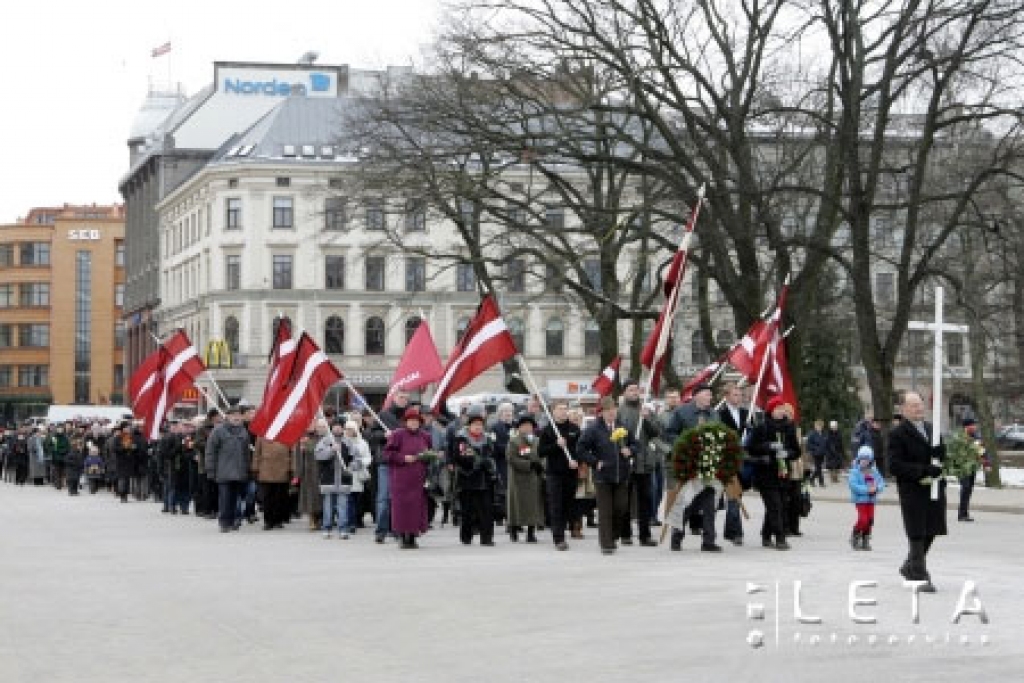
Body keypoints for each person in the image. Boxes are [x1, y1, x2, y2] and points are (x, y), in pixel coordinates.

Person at [888, 391, 946, 592]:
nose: (918, 408)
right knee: (917, 532)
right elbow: (894, 465)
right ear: (903, 409)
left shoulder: (932, 428)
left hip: (934, 488)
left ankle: (909, 566)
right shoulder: (897, 433)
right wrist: (922, 470)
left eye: (920, 404)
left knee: (931, 529)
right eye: (913, 405)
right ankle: (919, 576)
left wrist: (941, 455)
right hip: (913, 490)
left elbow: (941, 457)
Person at [577, 396, 638, 555]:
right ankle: (606, 543)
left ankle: (613, 535)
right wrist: (594, 462)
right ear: (602, 412)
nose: (612, 414)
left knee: (621, 507)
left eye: (614, 411)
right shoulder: (593, 429)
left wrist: (630, 451)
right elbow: (581, 449)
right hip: (603, 476)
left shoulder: (622, 426)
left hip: (621, 474)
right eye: (608, 411)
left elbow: (636, 444)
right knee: (605, 510)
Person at [666, 384, 723, 552]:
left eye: (711, 395)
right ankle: (676, 537)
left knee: (709, 503)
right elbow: (669, 433)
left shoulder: (714, 414)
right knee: (686, 501)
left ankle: (709, 541)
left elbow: (720, 434)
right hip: (688, 463)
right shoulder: (682, 412)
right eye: (707, 394)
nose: (710, 398)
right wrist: (686, 442)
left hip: (708, 464)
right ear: (696, 395)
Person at [746, 397, 801, 550]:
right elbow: (750, 448)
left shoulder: (789, 427)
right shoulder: (761, 427)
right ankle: (780, 538)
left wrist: (787, 454)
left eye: (782, 408)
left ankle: (765, 534)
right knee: (774, 506)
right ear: (771, 410)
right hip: (766, 473)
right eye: (778, 408)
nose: (781, 411)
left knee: (781, 505)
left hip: (783, 473)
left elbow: (796, 451)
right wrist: (768, 446)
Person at [615, 380, 660, 548]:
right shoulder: (620, 412)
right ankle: (625, 534)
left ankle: (645, 535)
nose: (635, 392)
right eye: (631, 390)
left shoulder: (646, 410)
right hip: (627, 461)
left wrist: (647, 419)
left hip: (645, 461)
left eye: (636, 390)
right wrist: (623, 449)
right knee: (625, 500)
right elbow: (616, 434)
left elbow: (656, 432)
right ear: (624, 392)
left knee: (646, 500)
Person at [382, 408, 433, 549]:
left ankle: (412, 536)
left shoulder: (425, 436)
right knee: (402, 509)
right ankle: (403, 537)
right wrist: (403, 458)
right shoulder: (398, 434)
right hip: (401, 479)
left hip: (418, 478)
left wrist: (430, 457)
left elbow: (429, 453)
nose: (413, 423)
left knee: (416, 509)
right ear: (405, 422)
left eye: (416, 421)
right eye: (411, 421)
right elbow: (387, 454)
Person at [539, 402, 581, 551]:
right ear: (553, 412)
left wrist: (577, 460)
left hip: (571, 473)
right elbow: (541, 451)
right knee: (556, 505)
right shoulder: (548, 430)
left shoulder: (574, 429)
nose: (563, 412)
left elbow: (580, 449)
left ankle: (563, 530)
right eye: (560, 409)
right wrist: (556, 445)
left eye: (565, 409)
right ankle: (559, 538)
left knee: (567, 504)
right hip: (554, 474)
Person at [452, 409, 497, 546]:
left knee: (487, 510)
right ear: (469, 426)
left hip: (484, 480)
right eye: (475, 424)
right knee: (467, 511)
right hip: (468, 479)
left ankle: (487, 538)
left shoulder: (487, 439)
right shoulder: (462, 439)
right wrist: (474, 462)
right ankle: (466, 537)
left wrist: (488, 463)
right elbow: (459, 457)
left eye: (480, 425)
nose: (478, 427)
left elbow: (492, 455)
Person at [205, 406, 252, 532]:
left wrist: (248, 469)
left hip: (239, 471)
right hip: (223, 471)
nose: (237, 417)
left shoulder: (243, 431)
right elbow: (210, 452)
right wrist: (210, 470)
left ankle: (232, 521)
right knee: (225, 498)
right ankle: (224, 522)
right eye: (233, 415)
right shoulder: (218, 431)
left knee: (235, 498)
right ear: (227, 416)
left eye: (238, 415)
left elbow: (246, 453)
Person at [506, 414, 545, 544]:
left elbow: (543, 455)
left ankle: (531, 532)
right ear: (519, 428)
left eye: (530, 426)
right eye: (525, 426)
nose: (528, 428)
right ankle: (513, 528)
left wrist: (541, 465)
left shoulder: (537, 441)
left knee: (533, 506)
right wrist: (528, 464)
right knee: (517, 505)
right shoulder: (514, 441)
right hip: (518, 479)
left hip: (534, 479)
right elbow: (511, 459)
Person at [718, 382, 748, 546]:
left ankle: (734, 531)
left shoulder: (746, 413)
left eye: (740, 395)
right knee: (727, 497)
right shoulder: (719, 414)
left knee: (736, 496)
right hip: (725, 459)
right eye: (735, 394)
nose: (739, 397)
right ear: (727, 396)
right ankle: (733, 531)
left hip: (740, 460)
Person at [316, 423, 354, 539]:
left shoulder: (348, 442)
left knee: (343, 505)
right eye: (335, 426)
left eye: (339, 426)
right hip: (328, 479)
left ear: (343, 428)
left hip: (343, 479)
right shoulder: (325, 441)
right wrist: (331, 450)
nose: (337, 429)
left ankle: (343, 529)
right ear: (331, 428)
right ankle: (326, 528)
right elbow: (318, 455)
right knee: (328, 505)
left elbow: (356, 458)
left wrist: (350, 468)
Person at [650, 388, 682, 525]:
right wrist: (667, 450)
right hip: (668, 457)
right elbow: (654, 437)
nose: (673, 399)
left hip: (687, 455)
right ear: (666, 399)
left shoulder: (686, 414)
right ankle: (669, 519)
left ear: (680, 398)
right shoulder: (661, 416)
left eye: (675, 397)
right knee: (671, 489)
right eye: (670, 397)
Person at [848, 445, 885, 550]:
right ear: (859, 458)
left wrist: (877, 488)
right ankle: (855, 535)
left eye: (867, 458)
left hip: (871, 500)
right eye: (862, 458)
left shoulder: (874, 471)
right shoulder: (855, 471)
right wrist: (867, 490)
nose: (864, 461)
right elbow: (853, 485)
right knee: (863, 519)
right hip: (860, 500)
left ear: (870, 460)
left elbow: (881, 482)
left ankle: (865, 539)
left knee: (870, 520)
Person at [253, 435, 294, 530]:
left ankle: (278, 520)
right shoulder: (262, 435)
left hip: (282, 469)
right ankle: (268, 521)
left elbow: (292, 452)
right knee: (267, 497)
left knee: (280, 497)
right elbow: (257, 453)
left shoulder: (286, 433)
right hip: (266, 469)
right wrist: (255, 468)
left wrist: (292, 468)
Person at [341, 420, 372, 533]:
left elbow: (368, 457)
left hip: (358, 475)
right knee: (348, 500)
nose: (349, 431)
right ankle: (350, 523)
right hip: (346, 474)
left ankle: (354, 521)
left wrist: (361, 463)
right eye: (347, 429)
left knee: (355, 500)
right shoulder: (342, 443)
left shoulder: (362, 443)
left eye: (351, 429)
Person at [295, 421, 325, 531]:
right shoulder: (302, 438)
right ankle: (311, 519)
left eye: (313, 424)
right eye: (309, 424)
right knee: (309, 497)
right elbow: (297, 456)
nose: (311, 426)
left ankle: (319, 518)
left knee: (319, 496)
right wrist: (297, 473)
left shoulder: (322, 438)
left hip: (319, 471)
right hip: (307, 472)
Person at [959, 418, 987, 522]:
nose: (975, 427)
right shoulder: (960, 437)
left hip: (972, 467)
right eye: (972, 425)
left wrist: (986, 463)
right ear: (966, 427)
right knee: (965, 488)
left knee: (969, 489)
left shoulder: (976, 437)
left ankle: (964, 513)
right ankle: (962, 514)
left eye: (975, 425)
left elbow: (981, 451)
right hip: (962, 467)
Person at [46, 424, 70, 490]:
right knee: (56, 471)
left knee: (63, 471)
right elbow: (49, 446)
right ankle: (57, 484)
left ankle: (62, 483)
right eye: (59, 429)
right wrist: (53, 450)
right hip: (56, 457)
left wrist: (62, 451)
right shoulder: (54, 437)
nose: (60, 430)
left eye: (61, 429)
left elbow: (68, 447)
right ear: (57, 429)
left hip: (63, 457)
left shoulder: (65, 437)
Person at [806, 420, 828, 487]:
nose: (819, 427)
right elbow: (809, 444)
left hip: (822, 453)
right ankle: (821, 482)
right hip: (815, 454)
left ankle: (811, 479)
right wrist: (815, 448)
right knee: (819, 468)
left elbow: (825, 443)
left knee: (818, 468)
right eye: (818, 426)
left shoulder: (824, 433)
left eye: (821, 426)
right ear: (815, 426)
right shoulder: (812, 434)